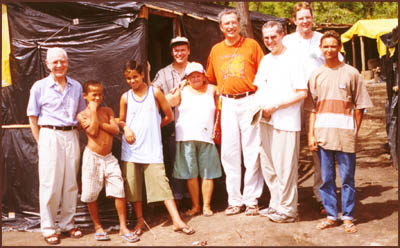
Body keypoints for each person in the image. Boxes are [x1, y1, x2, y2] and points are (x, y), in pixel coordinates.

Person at [305, 30, 373, 233]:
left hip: (345, 135)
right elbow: (312, 108)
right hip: (323, 134)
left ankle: (349, 216)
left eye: (333, 46)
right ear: (320, 48)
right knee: (326, 178)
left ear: (339, 47)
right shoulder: (316, 75)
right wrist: (311, 134)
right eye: (325, 46)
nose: (329, 49)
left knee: (347, 178)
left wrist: (354, 130)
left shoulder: (352, 73)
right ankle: (332, 215)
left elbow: (360, 106)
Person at [119, 60, 195, 235]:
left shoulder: (155, 93)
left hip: (152, 149)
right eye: (128, 78)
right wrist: (126, 128)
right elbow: (120, 119)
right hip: (131, 150)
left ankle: (177, 220)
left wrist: (153, 126)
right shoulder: (125, 97)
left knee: (162, 184)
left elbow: (168, 115)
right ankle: (140, 222)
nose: (132, 81)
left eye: (135, 77)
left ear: (142, 75)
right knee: (133, 187)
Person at [282, 2, 343, 215]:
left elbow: (338, 64)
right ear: (294, 20)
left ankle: (322, 196)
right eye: (301, 18)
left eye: (308, 17)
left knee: (319, 148)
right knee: (290, 148)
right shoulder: (287, 41)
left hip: (319, 100)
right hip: (293, 99)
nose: (305, 21)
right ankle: (289, 196)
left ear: (312, 18)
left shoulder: (322, 40)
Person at [205, 9, 265, 216]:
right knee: (229, 153)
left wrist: (261, 101)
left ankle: (251, 200)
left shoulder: (252, 46)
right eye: (226, 24)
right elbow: (210, 79)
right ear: (221, 27)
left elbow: (264, 75)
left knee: (251, 152)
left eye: (233, 22)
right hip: (227, 103)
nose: (230, 26)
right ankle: (234, 200)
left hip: (249, 99)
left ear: (239, 24)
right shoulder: (216, 50)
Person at [27, 47, 86, 245]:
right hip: (49, 135)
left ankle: (68, 224)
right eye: (55, 62)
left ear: (68, 63)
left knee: (70, 183)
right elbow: (32, 117)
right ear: (47, 64)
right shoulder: (39, 87)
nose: (59, 65)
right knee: (50, 183)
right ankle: (49, 227)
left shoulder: (76, 86)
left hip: (71, 135)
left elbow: (81, 114)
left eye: (63, 61)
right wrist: (41, 140)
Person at [253, 21, 308, 223]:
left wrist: (275, 106)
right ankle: (275, 204)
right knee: (269, 165)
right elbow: (259, 88)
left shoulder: (294, 59)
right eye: (266, 38)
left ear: (282, 35)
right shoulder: (266, 60)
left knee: (285, 167)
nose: (269, 41)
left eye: (273, 37)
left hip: (285, 121)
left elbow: (302, 92)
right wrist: (260, 108)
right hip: (265, 120)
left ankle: (288, 210)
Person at [77, 80, 139, 243]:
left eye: (100, 94)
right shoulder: (82, 115)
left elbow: (115, 129)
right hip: (92, 157)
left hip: (109, 157)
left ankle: (123, 227)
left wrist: (97, 118)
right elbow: (92, 131)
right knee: (90, 193)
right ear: (85, 96)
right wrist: (91, 111)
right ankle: (98, 226)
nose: (97, 98)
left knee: (119, 190)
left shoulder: (108, 110)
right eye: (93, 95)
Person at [166, 62, 222, 217]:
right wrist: (178, 87)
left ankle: (206, 206)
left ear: (204, 76)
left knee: (207, 173)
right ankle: (196, 206)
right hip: (186, 137)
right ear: (187, 78)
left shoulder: (212, 90)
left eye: (198, 75)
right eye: (191, 76)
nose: (195, 78)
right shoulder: (181, 91)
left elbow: (226, 90)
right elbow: (165, 102)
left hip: (207, 137)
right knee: (191, 174)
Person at [152, 36, 191, 204]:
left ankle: (194, 197)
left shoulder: (195, 68)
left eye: (182, 49)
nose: (179, 53)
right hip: (174, 125)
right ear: (171, 52)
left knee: (192, 159)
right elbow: (152, 92)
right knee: (176, 159)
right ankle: (178, 196)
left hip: (194, 123)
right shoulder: (163, 72)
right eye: (176, 50)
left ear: (188, 51)